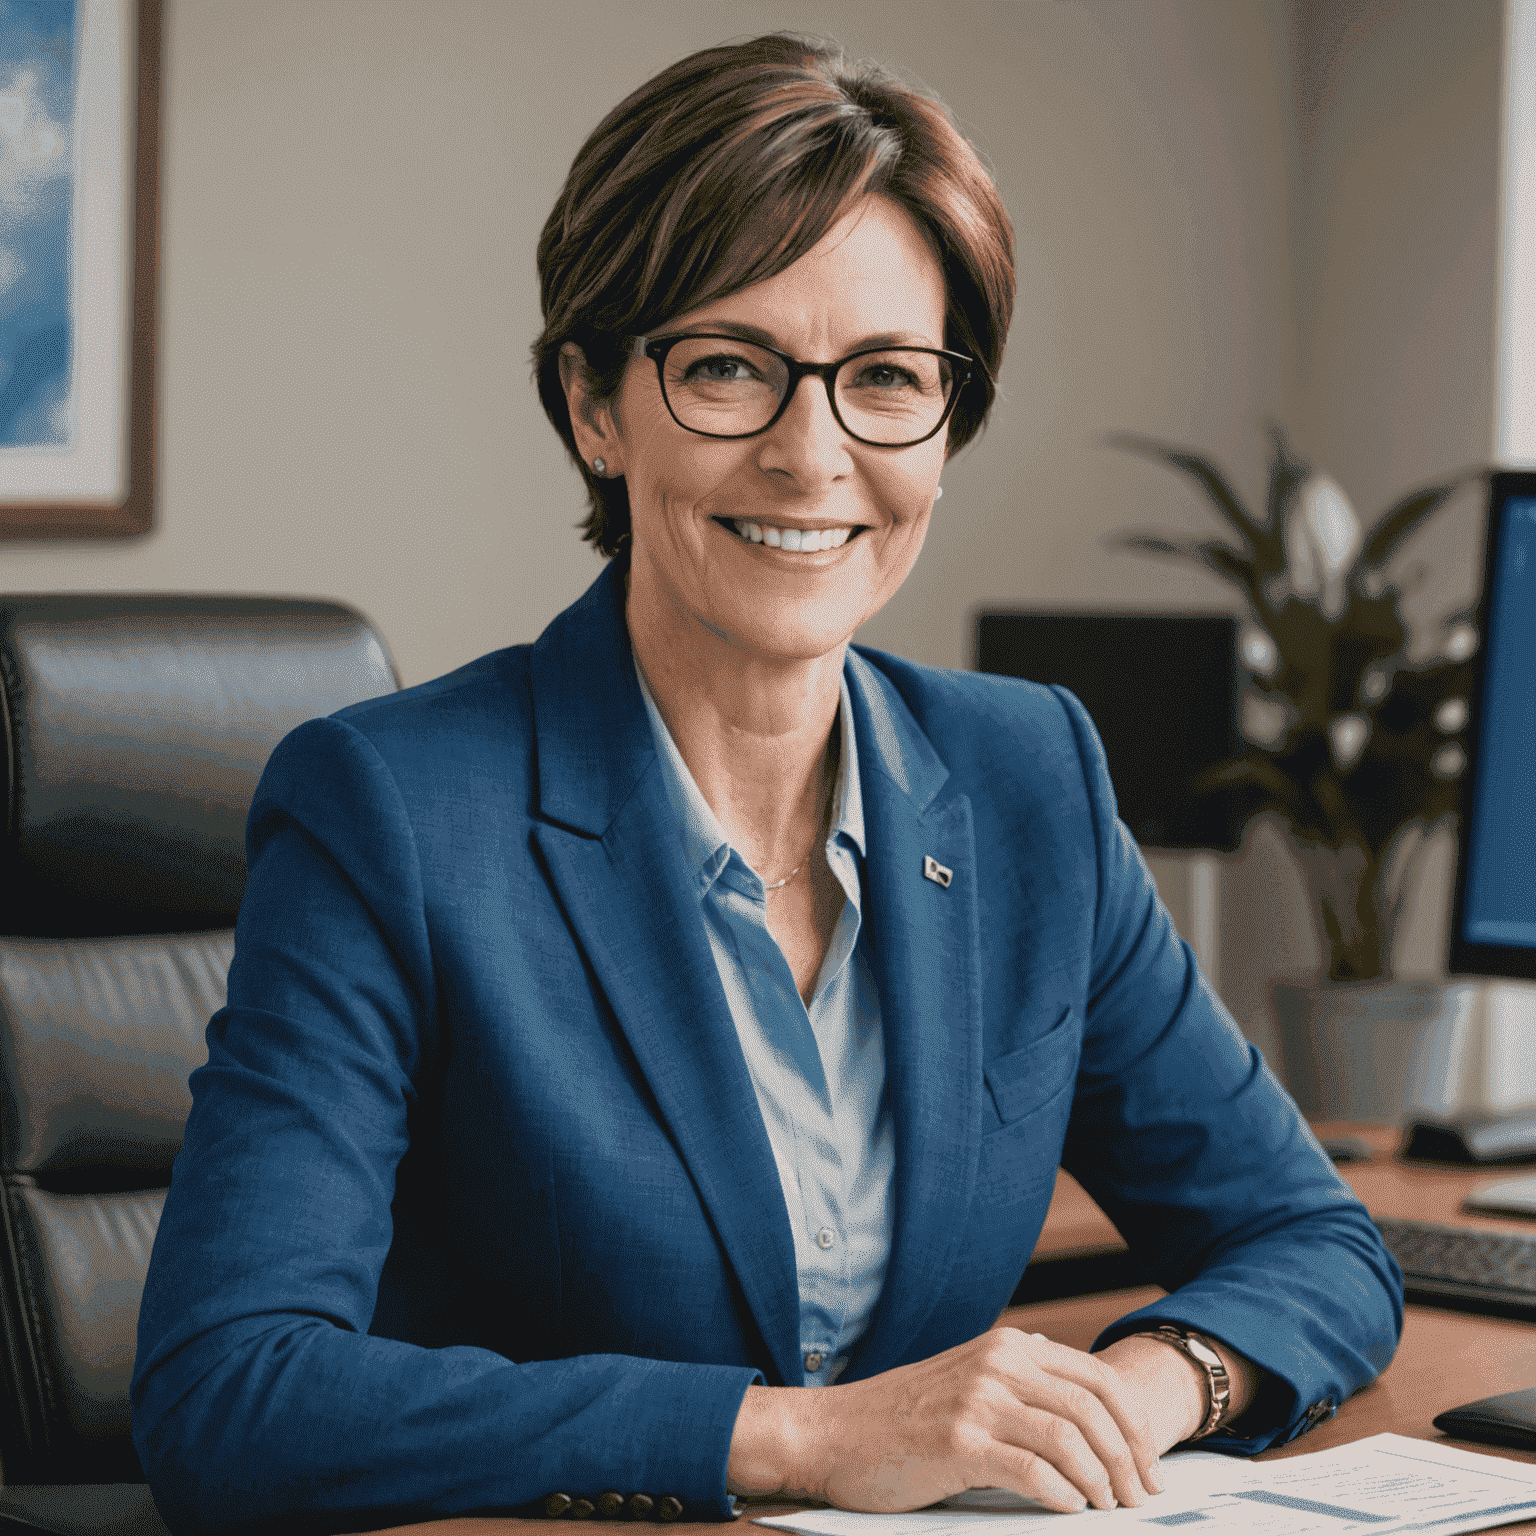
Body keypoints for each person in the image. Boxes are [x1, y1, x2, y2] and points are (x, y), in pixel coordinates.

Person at [132, 32, 1402, 1535]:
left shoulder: (1028, 781)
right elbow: (231, 1393)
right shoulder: (394, 814)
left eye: (884, 380)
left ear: (946, 424)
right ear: (595, 406)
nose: (814, 455)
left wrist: (1132, 1392)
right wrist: (793, 1439)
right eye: (730, 367)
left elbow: (1314, 1240)